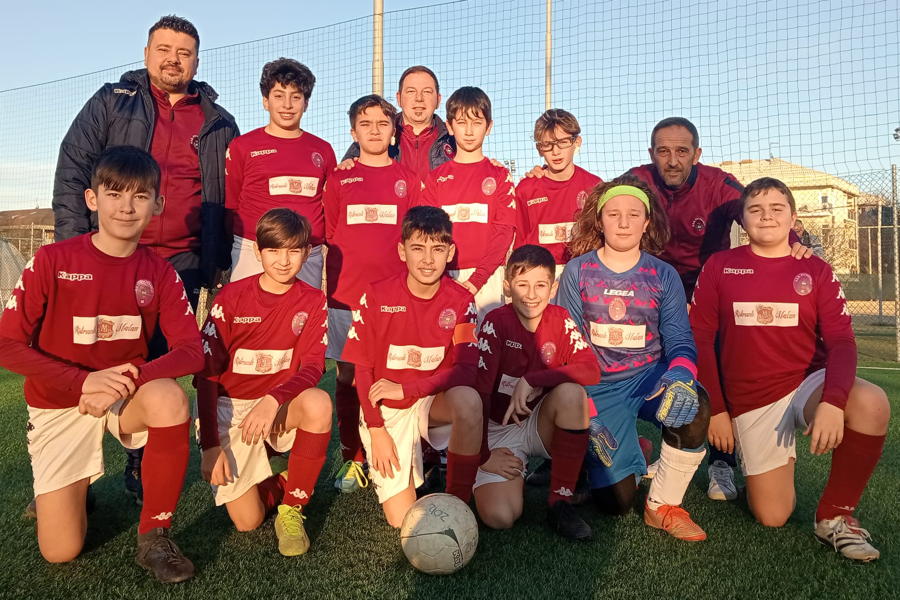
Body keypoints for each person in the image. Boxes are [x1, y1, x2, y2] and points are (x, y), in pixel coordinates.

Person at [51, 15, 239, 503]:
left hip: (181, 261)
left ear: (197, 61)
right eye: (164, 49)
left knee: (159, 364)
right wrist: (74, 247)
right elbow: (73, 170)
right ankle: (70, 470)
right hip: (109, 256)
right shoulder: (112, 102)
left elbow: (231, 196)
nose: (173, 59)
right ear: (146, 53)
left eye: (184, 52)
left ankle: (140, 460)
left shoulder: (219, 121)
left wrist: (218, 261)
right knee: (87, 356)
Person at [0, 146, 203, 582]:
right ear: (92, 199)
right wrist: (83, 382)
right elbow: (6, 344)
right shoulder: (52, 260)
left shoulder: (160, 272)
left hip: (122, 395)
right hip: (59, 400)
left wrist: (130, 377)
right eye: (114, 194)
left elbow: (192, 350)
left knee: (169, 398)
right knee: (61, 551)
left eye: (140, 196)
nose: (127, 207)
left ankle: (155, 536)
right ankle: (75, 489)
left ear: (157, 204)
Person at [690, 177, 889, 561]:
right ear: (742, 219)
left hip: (807, 382)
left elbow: (842, 342)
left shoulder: (815, 269)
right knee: (773, 515)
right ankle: (761, 468)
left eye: (776, 208)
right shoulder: (720, 266)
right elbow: (699, 339)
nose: (766, 216)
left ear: (793, 219)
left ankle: (834, 517)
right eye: (756, 209)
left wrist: (833, 401)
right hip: (753, 397)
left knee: (871, 402)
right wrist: (717, 410)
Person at [558, 176, 711, 542]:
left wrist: (681, 374)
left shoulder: (663, 274)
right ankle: (632, 449)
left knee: (694, 404)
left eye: (633, 214)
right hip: (597, 388)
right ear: (600, 221)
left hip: (648, 379)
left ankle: (663, 505)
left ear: (647, 222)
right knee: (615, 504)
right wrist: (585, 411)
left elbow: (679, 339)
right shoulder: (577, 271)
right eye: (614, 214)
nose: (624, 222)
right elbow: (567, 347)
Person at [196, 208, 331, 557]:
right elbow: (206, 377)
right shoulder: (231, 298)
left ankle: (293, 507)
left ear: (307, 252)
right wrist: (209, 444)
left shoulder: (313, 300)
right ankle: (285, 477)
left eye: (293, 250)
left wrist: (273, 399)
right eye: (274, 250)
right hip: (231, 409)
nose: (283, 261)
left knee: (318, 403)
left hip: (277, 405)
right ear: (257, 251)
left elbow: (313, 366)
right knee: (248, 521)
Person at [341, 206, 484, 527]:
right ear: (401, 251)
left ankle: (456, 503)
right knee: (401, 520)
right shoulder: (377, 294)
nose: (428, 259)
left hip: (429, 401)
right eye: (418, 248)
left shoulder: (461, 301)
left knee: (469, 400)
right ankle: (415, 464)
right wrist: (376, 429)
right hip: (388, 410)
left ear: (450, 253)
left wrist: (408, 388)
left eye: (437, 249)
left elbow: (466, 371)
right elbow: (362, 370)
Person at [325, 94, 420, 494]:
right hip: (345, 295)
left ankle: (404, 449)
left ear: (394, 131)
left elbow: (414, 236)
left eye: (383, 124)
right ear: (354, 132)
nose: (375, 131)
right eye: (366, 124)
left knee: (393, 372)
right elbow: (330, 232)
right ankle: (353, 457)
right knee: (348, 375)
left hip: (394, 296)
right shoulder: (339, 178)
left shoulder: (408, 180)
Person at [472, 245, 599, 540]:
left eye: (540, 285)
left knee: (572, 393)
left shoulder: (560, 318)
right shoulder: (495, 323)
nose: (531, 294)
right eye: (522, 284)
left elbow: (591, 370)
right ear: (507, 286)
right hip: (498, 429)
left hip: (539, 421)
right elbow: (480, 393)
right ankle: (570, 460)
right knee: (501, 517)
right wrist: (483, 455)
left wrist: (533, 379)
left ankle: (560, 501)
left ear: (552, 288)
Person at [225, 58, 336, 288]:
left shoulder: (323, 150)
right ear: (265, 101)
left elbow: (330, 202)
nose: (287, 105)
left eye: (295, 97)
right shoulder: (243, 146)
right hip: (253, 250)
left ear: (306, 103)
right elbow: (230, 202)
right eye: (278, 96)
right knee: (248, 310)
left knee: (302, 310)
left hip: (306, 251)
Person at [420, 86, 516, 317]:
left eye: (477, 122)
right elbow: (427, 235)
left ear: (489, 127)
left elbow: (503, 233)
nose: (470, 131)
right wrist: (442, 278)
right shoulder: (435, 179)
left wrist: (476, 280)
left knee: (487, 338)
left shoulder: (500, 175)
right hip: (443, 278)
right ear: (450, 127)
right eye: (462, 122)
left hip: (488, 280)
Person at [515, 109, 602, 276]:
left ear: (577, 142)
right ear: (539, 149)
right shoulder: (526, 189)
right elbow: (519, 241)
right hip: (538, 273)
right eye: (547, 144)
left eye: (563, 142)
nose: (555, 151)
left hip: (583, 273)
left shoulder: (593, 186)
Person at [341, 65, 454, 179]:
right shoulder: (379, 135)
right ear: (399, 98)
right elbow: (348, 172)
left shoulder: (453, 138)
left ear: (438, 100)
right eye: (411, 91)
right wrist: (347, 164)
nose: (419, 98)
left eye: (427, 92)